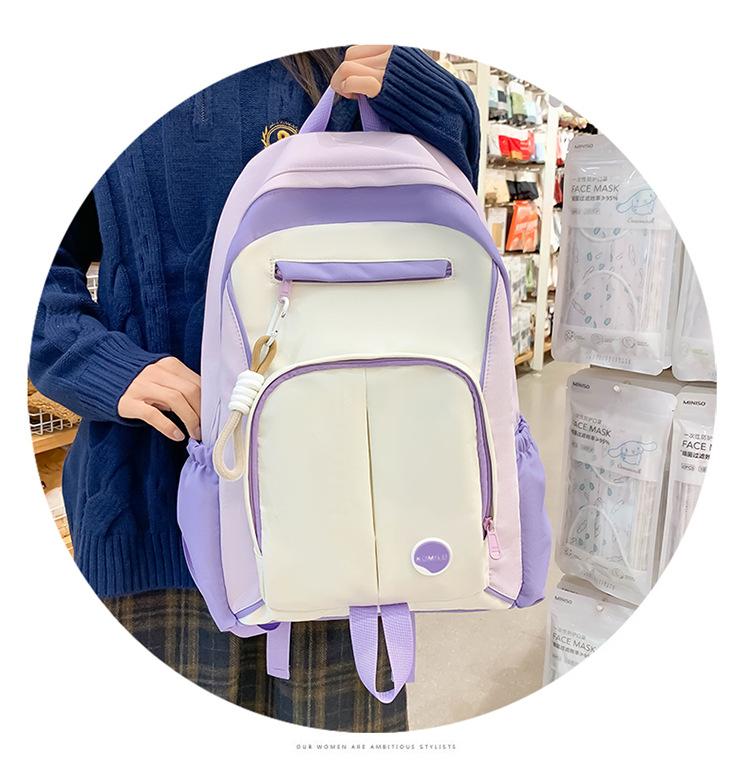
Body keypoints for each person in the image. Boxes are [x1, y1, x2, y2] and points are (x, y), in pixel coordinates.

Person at [30, 45, 480, 732]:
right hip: (153, 502)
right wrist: (102, 364)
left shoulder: (337, 49)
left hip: (343, 511)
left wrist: (406, 79)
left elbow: (451, 191)